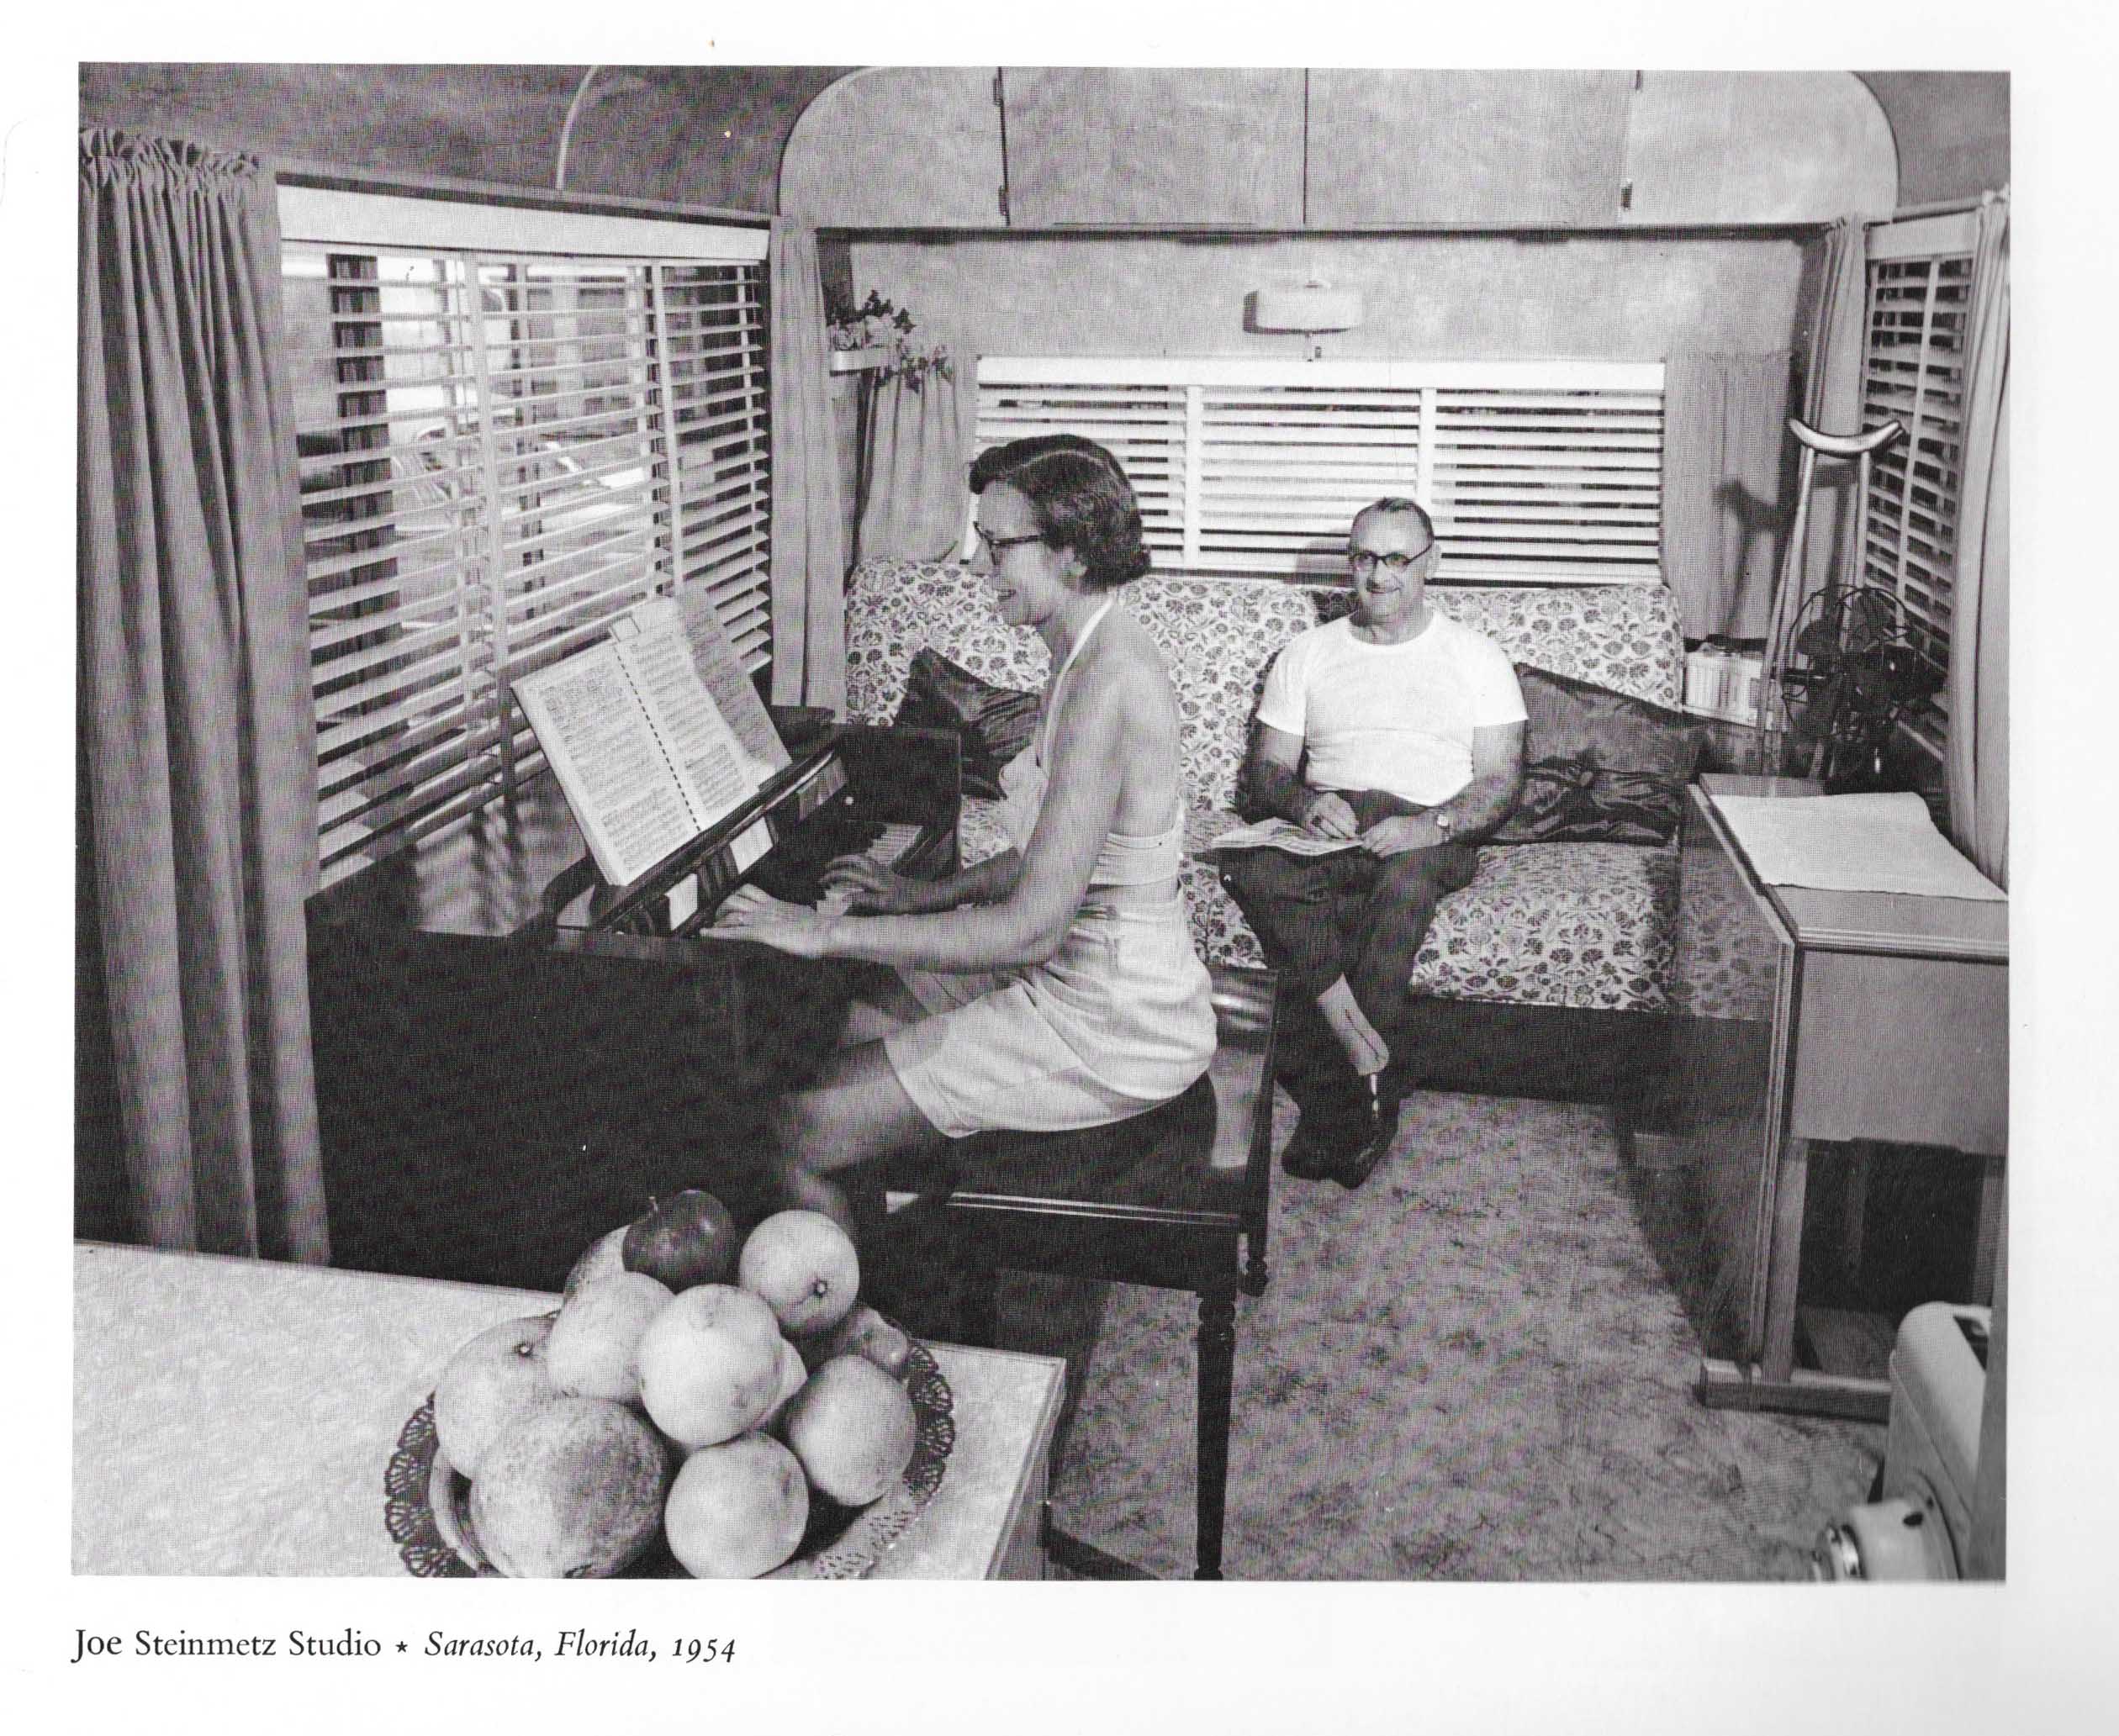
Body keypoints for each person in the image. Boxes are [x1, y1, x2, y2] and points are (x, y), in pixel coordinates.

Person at [701, 435, 1217, 1233]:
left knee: (791, 1128)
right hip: (1080, 973)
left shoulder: (1109, 683)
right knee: (857, 1018)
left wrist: (822, 931)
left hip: (1112, 1021)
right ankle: (906, 1242)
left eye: (999, 546)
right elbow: (1052, 852)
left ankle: (865, 1302)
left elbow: (1032, 928)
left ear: (1074, 553)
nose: (979, 567)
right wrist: (924, 893)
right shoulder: (1082, 652)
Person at [1218, 498, 1525, 1188]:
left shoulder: (1476, 656)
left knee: (1404, 887)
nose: (1378, 575)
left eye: (1396, 559)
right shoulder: (1308, 653)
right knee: (1247, 864)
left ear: (1430, 563)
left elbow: (1501, 780)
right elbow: (1268, 768)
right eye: (1364, 558)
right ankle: (1357, 1049)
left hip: (1430, 824)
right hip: (1337, 824)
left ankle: (1348, 1103)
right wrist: (1305, 802)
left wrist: (1431, 825)